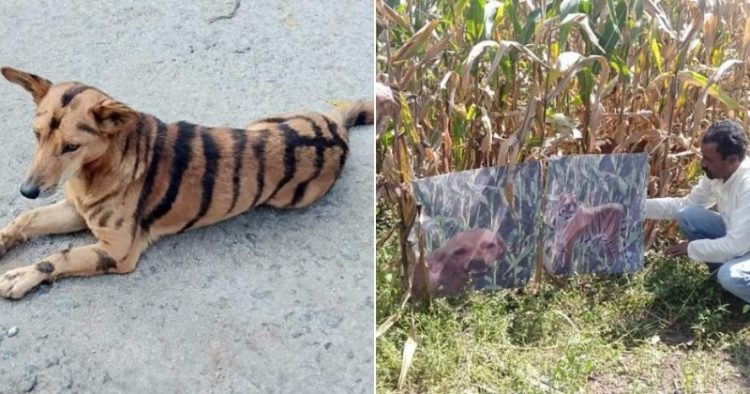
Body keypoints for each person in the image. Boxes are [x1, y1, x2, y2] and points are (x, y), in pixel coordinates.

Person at [646, 119, 750, 303]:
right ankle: (726, 287)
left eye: (709, 159)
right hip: (743, 242)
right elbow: (685, 205)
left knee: (731, 276)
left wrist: (691, 248)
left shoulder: (747, 186)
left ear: (733, 160)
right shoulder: (717, 175)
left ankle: (735, 290)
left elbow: (735, 246)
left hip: (741, 245)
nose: (703, 164)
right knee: (688, 215)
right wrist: (635, 208)